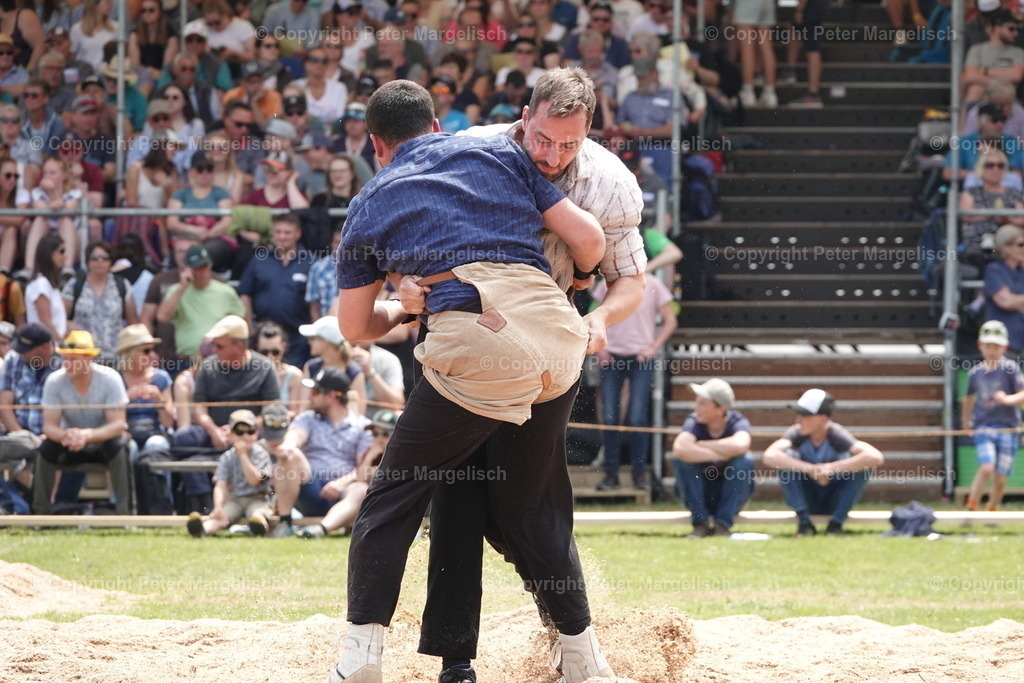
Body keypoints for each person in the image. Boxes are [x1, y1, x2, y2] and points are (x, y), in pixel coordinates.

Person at [328, 79, 611, 683]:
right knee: (534, 506)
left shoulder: (369, 201)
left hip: (476, 341)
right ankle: (584, 658)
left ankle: (360, 659)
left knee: (393, 497)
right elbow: (590, 240)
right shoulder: (495, 151)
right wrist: (584, 279)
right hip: (559, 339)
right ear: (436, 126)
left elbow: (354, 328)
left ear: (375, 145)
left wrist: (403, 306)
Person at [415, 68, 647, 683]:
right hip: (461, 333)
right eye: (542, 138)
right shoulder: (470, 152)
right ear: (524, 115)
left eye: (568, 144)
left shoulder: (611, 182)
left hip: (549, 344)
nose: (552, 155)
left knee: (530, 499)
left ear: (588, 132)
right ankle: (456, 662)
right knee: (456, 495)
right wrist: (407, 286)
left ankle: (574, 642)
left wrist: (600, 321)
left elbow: (630, 281)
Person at [594, 272, 676, 491]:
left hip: (641, 359)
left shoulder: (654, 284)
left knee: (637, 417)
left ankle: (639, 476)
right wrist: (600, 348)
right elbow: (595, 315)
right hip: (611, 357)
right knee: (610, 417)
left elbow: (670, 320)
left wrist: (653, 347)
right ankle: (611, 475)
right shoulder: (607, 284)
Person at [763, 388, 886, 535]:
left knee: (863, 465)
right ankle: (804, 523)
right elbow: (770, 455)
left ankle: (836, 524)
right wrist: (811, 470)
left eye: (804, 415)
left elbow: (875, 457)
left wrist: (831, 469)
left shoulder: (837, 434)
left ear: (822, 419)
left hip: (835, 498)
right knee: (784, 458)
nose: (798, 420)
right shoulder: (797, 433)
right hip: (807, 498)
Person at [35, 329, 130, 514]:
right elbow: (49, 426)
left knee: (122, 445)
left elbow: (118, 425)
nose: (67, 364)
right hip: (68, 442)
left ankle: (125, 514)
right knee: (45, 448)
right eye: (65, 359)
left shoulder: (111, 379)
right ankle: (40, 514)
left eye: (73, 359)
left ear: (89, 359)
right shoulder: (54, 381)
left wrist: (86, 435)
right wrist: (66, 436)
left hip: (103, 442)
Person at [272, 366, 372, 539]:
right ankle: (285, 522)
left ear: (332, 395)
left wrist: (340, 483)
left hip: (344, 490)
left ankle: (320, 529)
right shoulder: (307, 418)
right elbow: (295, 436)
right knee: (290, 454)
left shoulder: (363, 426)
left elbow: (365, 467)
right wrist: (287, 445)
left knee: (361, 488)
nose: (310, 397)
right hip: (311, 487)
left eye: (315, 392)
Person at [671, 378, 755, 538]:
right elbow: (680, 449)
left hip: (729, 497)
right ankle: (700, 523)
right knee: (682, 461)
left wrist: (702, 445)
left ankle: (722, 524)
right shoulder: (694, 421)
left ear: (721, 409)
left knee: (745, 460)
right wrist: (723, 453)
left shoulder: (737, 421)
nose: (696, 408)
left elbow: (741, 445)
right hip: (700, 494)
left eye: (703, 404)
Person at [295, 408, 396, 539]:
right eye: (375, 433)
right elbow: (361, 478)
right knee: (360, 489)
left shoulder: (399, 454)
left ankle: (323, 528)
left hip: (391, 505)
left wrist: (376, 471)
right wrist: (371, 455)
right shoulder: (371, 452)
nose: (379, 438)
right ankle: (321, 529)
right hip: (371, 505)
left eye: (385, 434)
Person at [962, 320, 1024, 511]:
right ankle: (972, 505)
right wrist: (966, 423)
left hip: (1009, 428)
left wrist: (1007, 399)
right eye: (988, 346)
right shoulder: (975, 373)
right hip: (984, 426)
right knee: (987, 467)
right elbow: (968, 399)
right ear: (980, 345)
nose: (991, 351)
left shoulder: (1011, 369)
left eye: (996, 347)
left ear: (1004, 347)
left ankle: (993, 508)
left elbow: (1022, 394)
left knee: (1000, 478)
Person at [0, 322, 62, 512]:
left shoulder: (66, 364)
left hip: (55, 435)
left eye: (26, 350)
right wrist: (21, 435)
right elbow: (5, 404)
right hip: (17, 433)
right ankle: (10, 505)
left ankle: (53, 508)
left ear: (45, 347)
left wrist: (49, 434)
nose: (21, 353)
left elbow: (72, 409)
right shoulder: (12, 360)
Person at [237, 213, 312, 366]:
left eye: (287, 232)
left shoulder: (310, 262)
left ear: (298, 233)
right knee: (264, 376)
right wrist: (250, 327)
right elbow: (245, 294)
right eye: (278, 232)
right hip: (264, 336)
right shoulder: (259, 260)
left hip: (297, 338)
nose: (282, 236)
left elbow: (316, 302)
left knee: (294, 376)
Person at [186, 409, 275, 537]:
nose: (245, 436)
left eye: (250, 431)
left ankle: (259, 528)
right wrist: (218, 506)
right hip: (234, 499)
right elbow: (220, 486)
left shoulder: (261, 454)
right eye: (239, 432)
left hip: (257, 498)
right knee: (221, 517)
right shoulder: (227, 458)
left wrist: (243, 456)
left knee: (257, 514)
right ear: (230, 435)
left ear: (256, 433)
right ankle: (202, 529)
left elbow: (254, 481)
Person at [155, 244, 245, 360]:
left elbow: (241, 319)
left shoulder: (225, 291)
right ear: (188, 269)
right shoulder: (176, 290)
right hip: (187, 359)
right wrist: (182, 287)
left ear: (210, 266)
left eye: (205, 266)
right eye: (197, 268)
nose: (202, 272)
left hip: (217, 359)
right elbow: (162, 317)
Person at [62, 240, 139, 357]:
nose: (100, 261)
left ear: (111, 261)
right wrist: (69, 325)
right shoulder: (74, 285)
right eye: (94, 258)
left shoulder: (122, 285)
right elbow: (61, 318)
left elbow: (132, 323)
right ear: (88, 261)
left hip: (115, 355)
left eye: (105, 258)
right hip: (83, 355)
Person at [984, 224, 1024, 351]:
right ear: (1006, 247)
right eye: (1020, 245)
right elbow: (1006, 301)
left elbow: (1011, 301)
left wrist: (1015, 300)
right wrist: (1017, 302)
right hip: (1002, 345)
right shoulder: (994, 270)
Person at [24, 234, 67, 340]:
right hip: (44, 345)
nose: (65, 256)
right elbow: (45, 322)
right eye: (61, 251)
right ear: (49, 253)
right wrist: (61, 343)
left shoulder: (49, 284)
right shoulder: (40, 284)